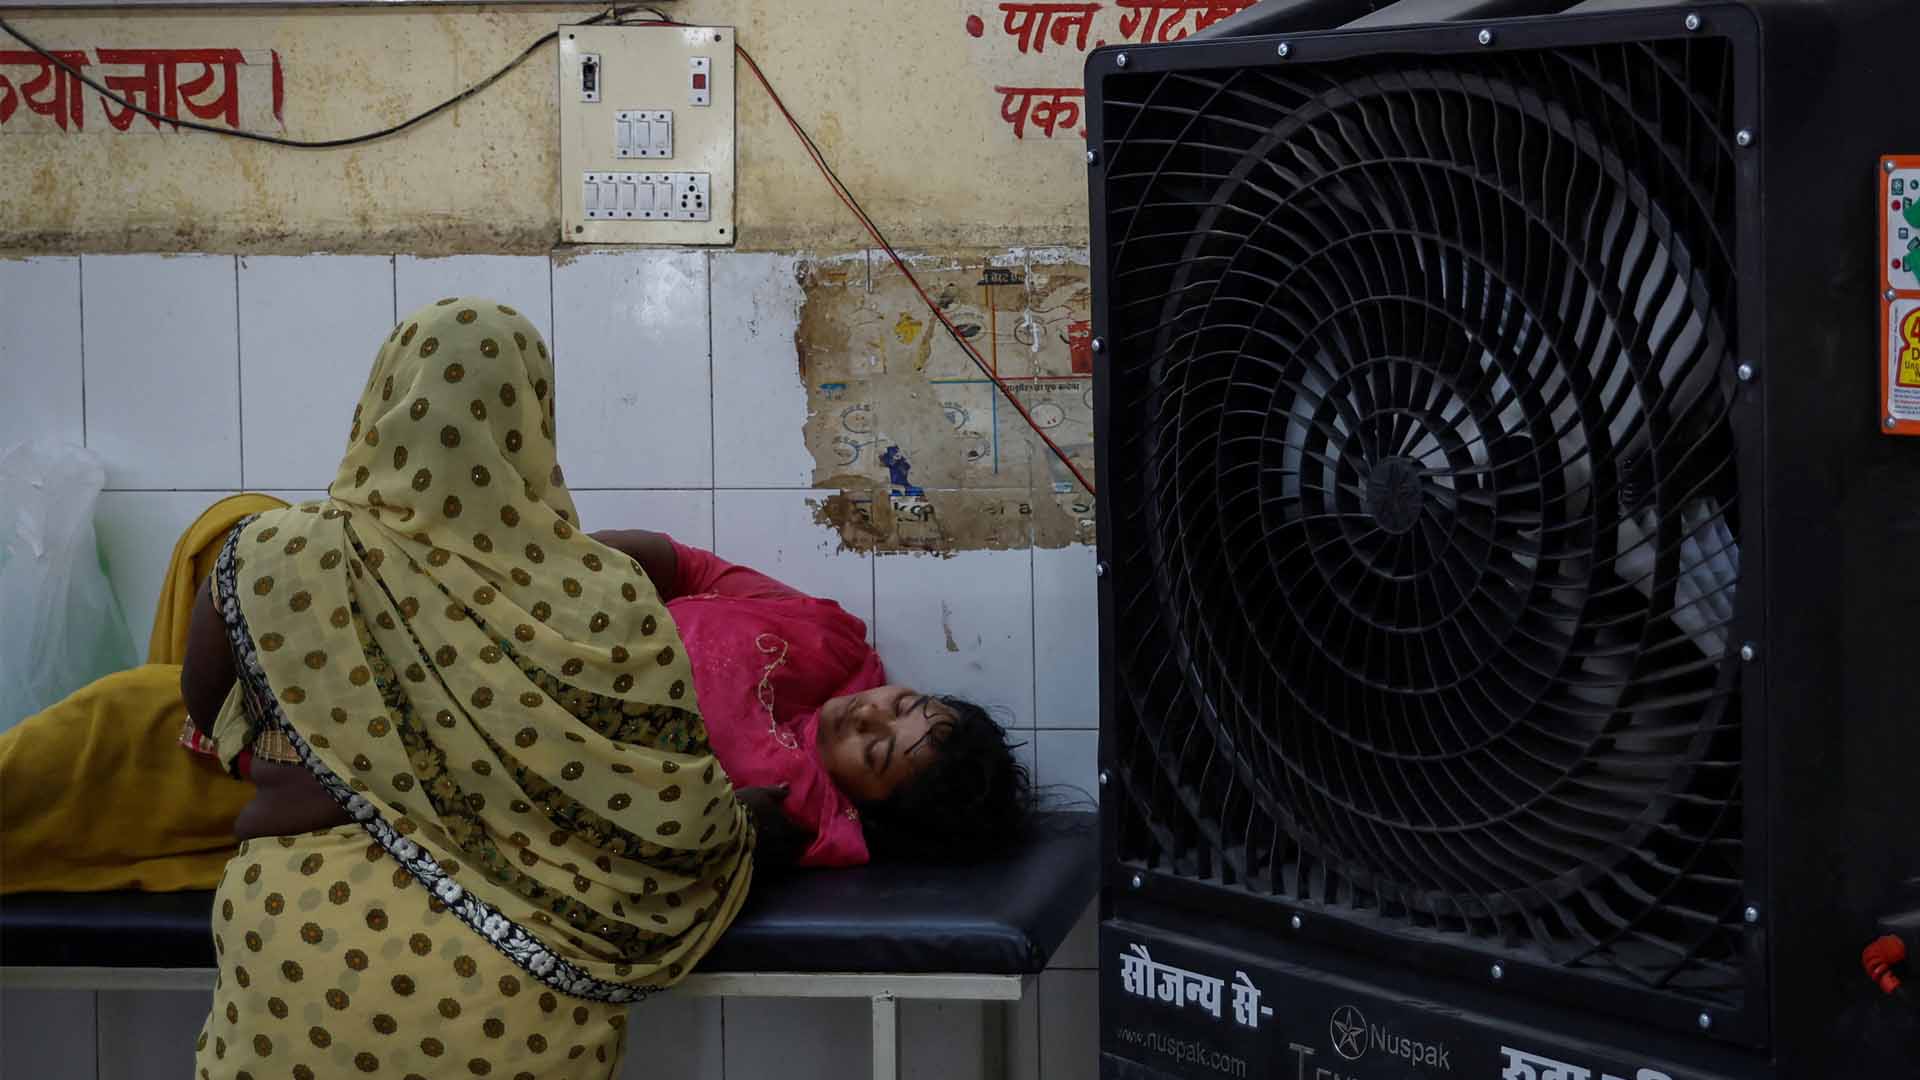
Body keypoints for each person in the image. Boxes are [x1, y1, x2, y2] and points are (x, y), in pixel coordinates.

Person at [180, 297, 1030, 1080]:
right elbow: (674, 818)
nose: (879, 714)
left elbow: (206, 717)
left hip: (294, 934)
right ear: (528, 431)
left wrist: (351, 753)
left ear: (382, 401)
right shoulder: (593, 595)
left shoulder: (269, 552)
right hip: (500, 993)